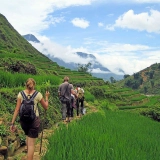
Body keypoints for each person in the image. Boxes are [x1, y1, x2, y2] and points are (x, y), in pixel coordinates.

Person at [10, 78, 50, 160]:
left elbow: (17, 109)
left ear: (26, 85)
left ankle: (27, 152)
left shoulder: (20, 94)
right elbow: (46, 107)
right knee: (32, 144)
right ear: (34, 85)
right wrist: (46, 97)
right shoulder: (38, 94)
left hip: (23, 121)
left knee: (28, 135)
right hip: (34, 121)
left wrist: (12, 123)